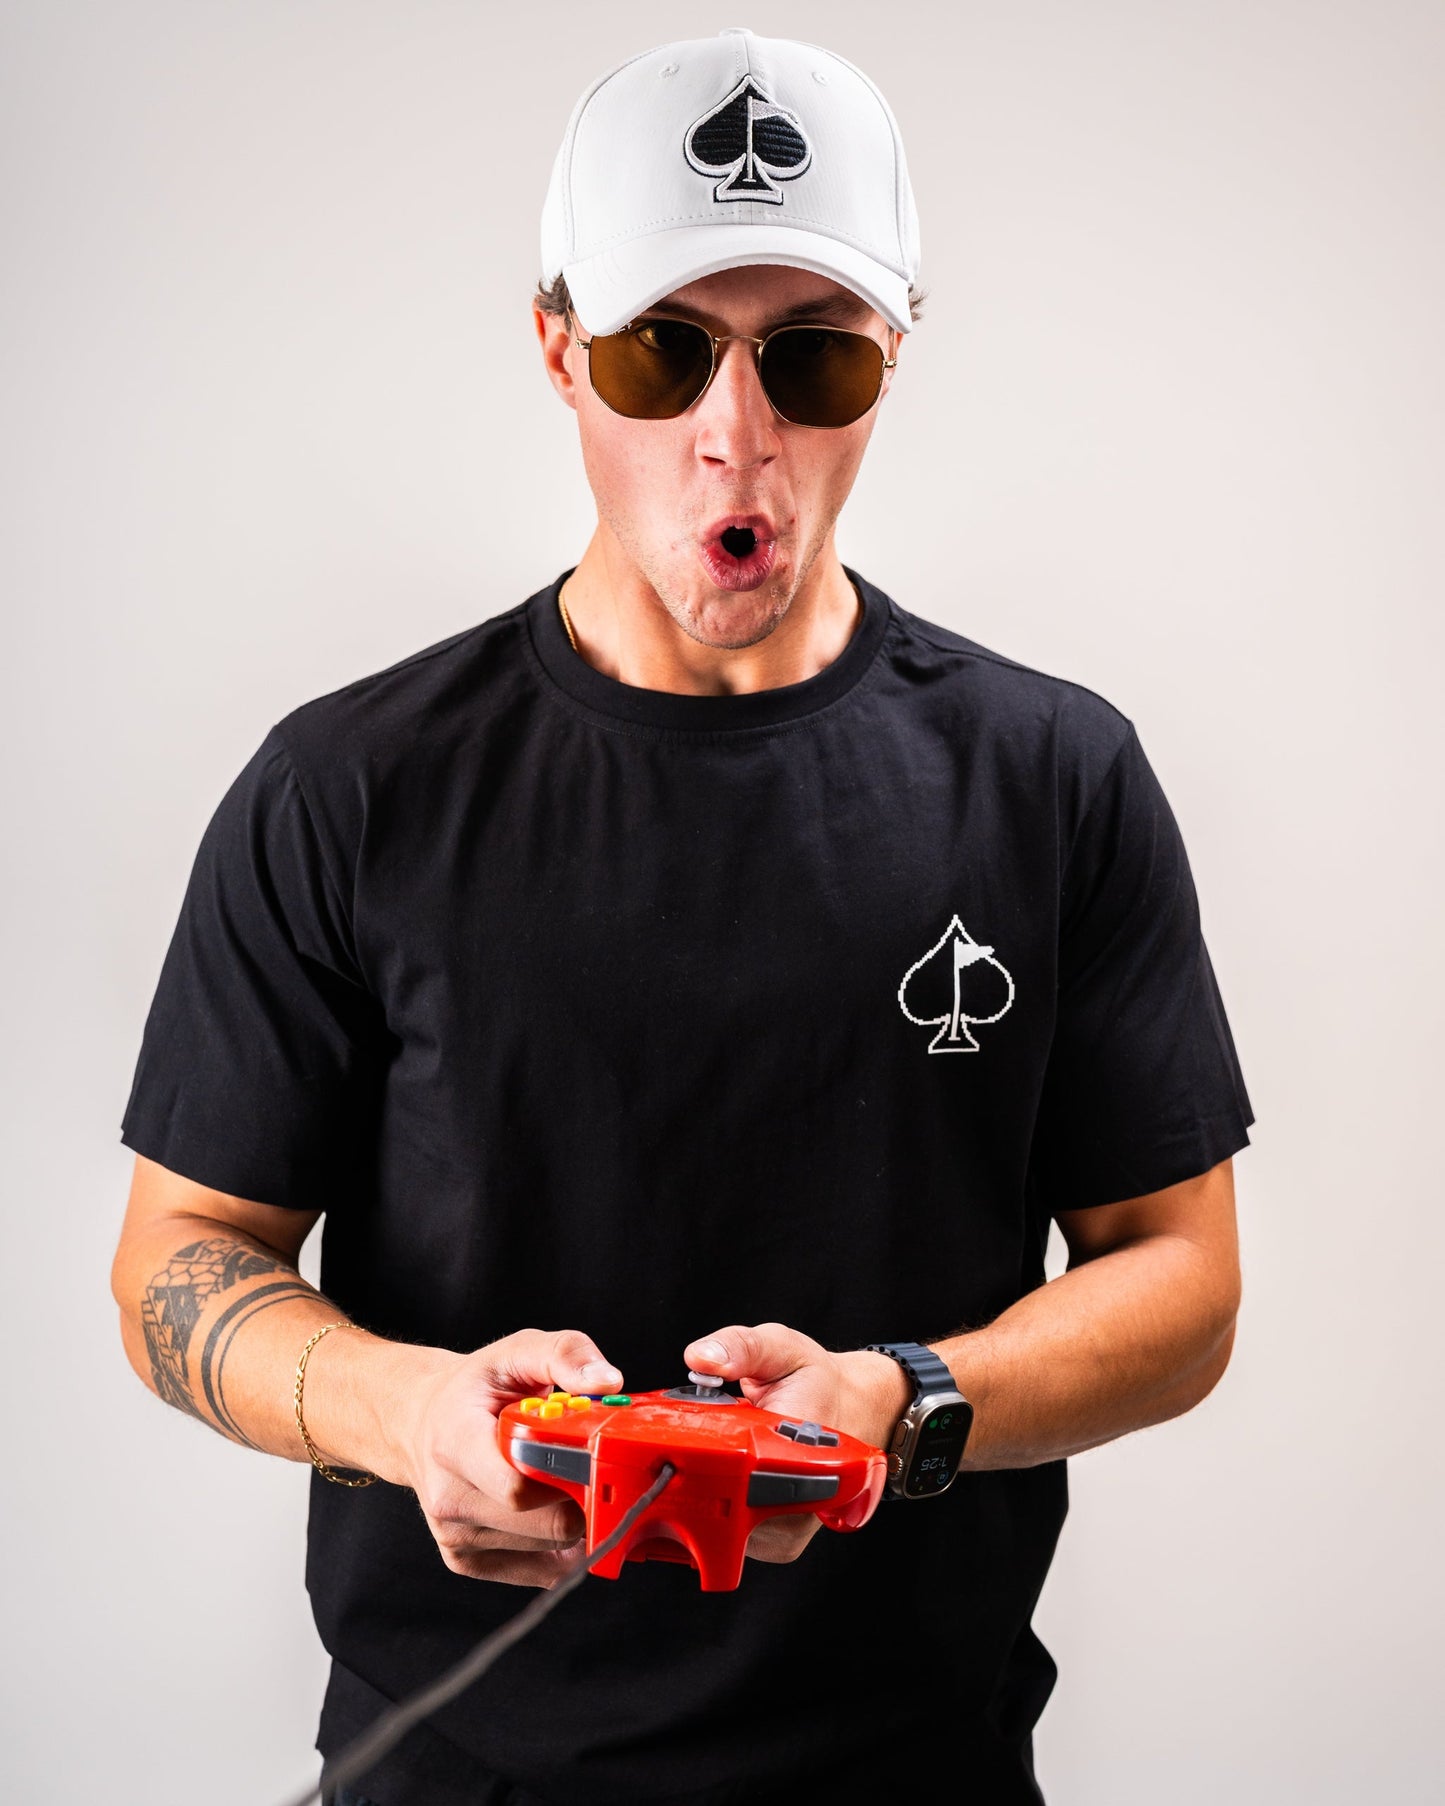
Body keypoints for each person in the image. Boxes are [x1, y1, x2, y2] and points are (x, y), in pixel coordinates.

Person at [110, 27, 1253, 1806]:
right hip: (455, 1776)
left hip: (913, 1772)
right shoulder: (348, 788)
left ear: (892, 358)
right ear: (558, 348)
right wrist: (408, 1411)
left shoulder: (1052, 776)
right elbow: (177, 1256)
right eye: (664, 353)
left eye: (810, 354)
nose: (738, 437)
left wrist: (909, 1398)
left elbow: (1180, 1282)